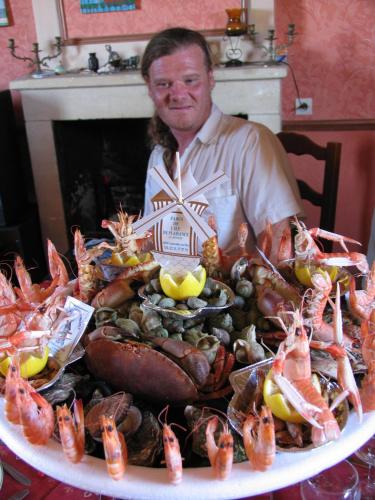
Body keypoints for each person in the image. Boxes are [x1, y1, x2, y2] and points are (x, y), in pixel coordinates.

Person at [141, 27, 303, 259]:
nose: (177, 94)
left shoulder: (249, 142)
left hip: (234, 291)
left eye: (190, 80)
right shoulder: (158, 155)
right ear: (149, 87)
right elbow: (150, 240)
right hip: (164, 289)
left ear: (210, 78)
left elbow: (280, 242)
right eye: (163, 84)